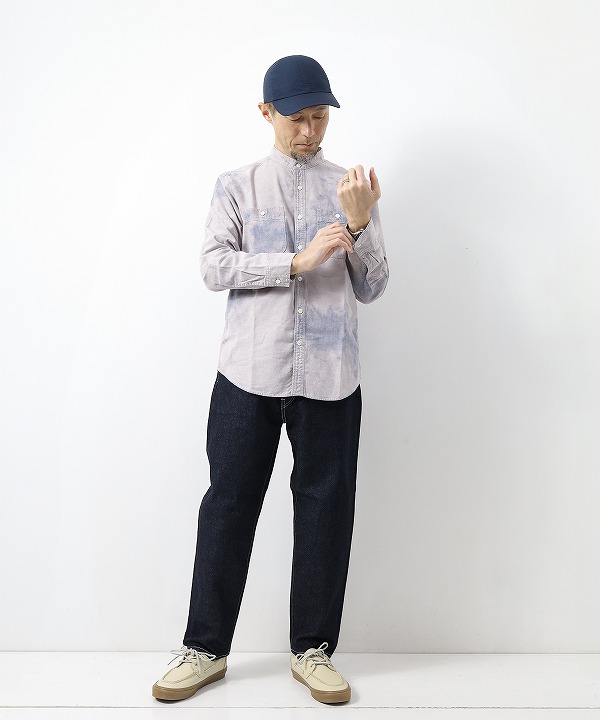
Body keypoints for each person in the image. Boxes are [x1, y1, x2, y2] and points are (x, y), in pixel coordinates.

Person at [152, 54, 389, 705]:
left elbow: (373, 286)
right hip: (248, 372)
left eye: (319, 117)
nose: (309, 131)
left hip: (331, 376)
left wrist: (360, 223)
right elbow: (213, 266)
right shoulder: (237, 185)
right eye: (296, 118)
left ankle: (313, 650)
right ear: (266, 112)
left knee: (326, 509)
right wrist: (295, 261)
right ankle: (204, 648)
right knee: (228, 505)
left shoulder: (352, 187)